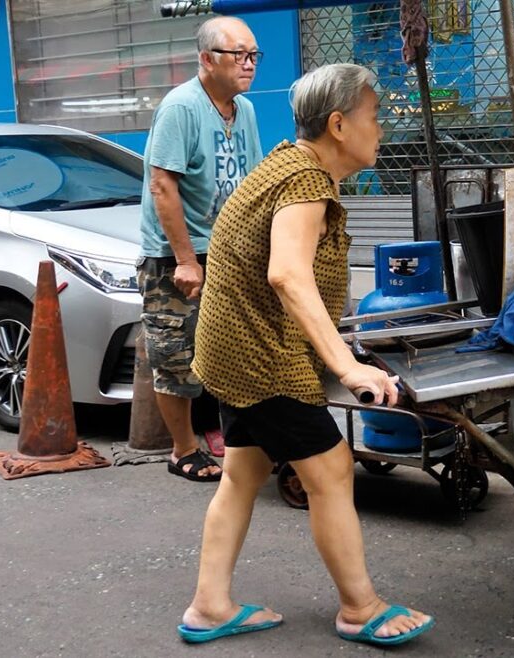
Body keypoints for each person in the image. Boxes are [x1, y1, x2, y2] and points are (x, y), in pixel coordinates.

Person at [176, 63, 434, 647]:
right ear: (339, 125)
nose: (382, 129)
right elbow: (288, 274)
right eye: (374, 116)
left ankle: (210, 606)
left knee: (243, 473)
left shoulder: (291, 166)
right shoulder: (305, 182)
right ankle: (360, 608)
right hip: (262, 357)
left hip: (234, 350)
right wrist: (347, 365)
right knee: (333, 468)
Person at [138, 16, 264, 481]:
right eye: (239, 54)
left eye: (254, 55)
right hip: (176, 255)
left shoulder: (244, 110)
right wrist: (187, 260)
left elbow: (251, 183)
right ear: (207, 59)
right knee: (175, 354)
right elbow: (162, 185)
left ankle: (240, 442)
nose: (249, 64)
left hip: (229, 251)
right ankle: (183, 450)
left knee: (235, 350)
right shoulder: (181, 107)